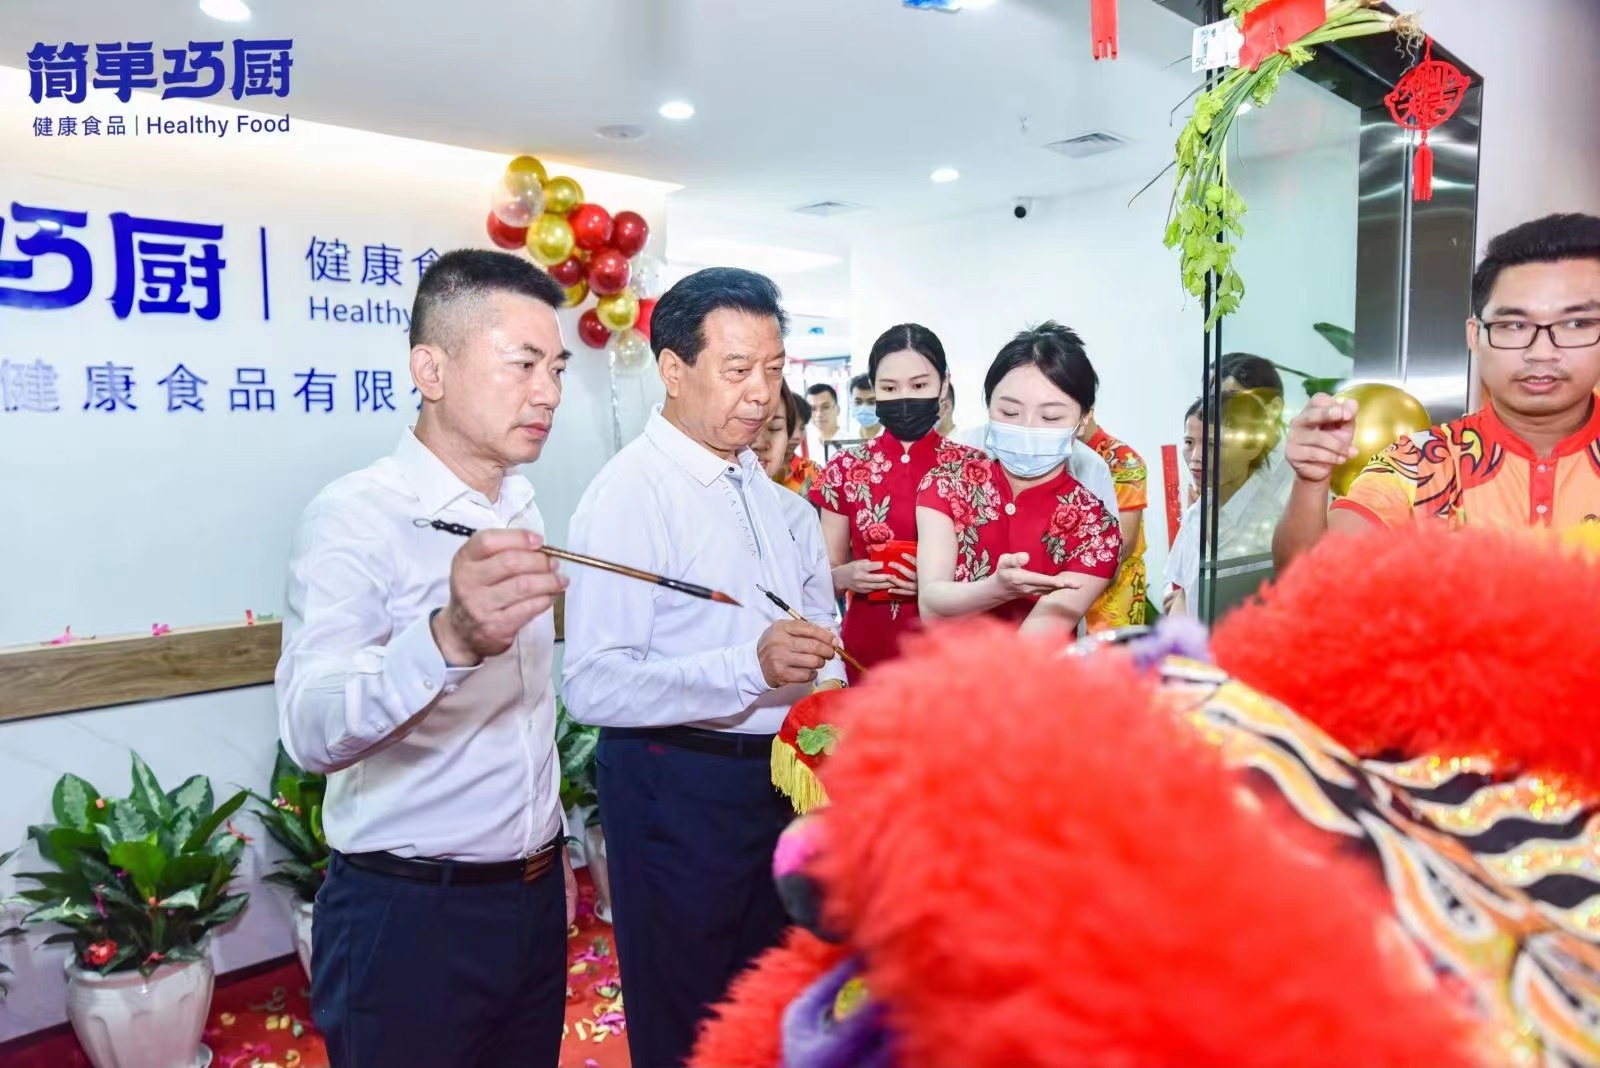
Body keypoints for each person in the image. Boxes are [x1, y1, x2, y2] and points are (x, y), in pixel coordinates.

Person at [277, 250, 574, 1068]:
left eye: (556, 368)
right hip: (409, 919)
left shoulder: (519, 504)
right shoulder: (356, 515)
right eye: (523, 364)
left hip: (530, 900)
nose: (549, 392)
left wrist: (549, 855)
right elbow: (310, 727)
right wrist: (447, 639)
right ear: (430, 370)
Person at [561, 266, 847, 1068]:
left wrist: (828, 714)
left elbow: (816, 626)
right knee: (692, 1016)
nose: (761, 394)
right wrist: (747, 667)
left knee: (774, 1002)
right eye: (737, 369)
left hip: (776, 781)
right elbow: (592, 683)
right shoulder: (630, 495)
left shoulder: (770, 493)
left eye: (773, 369)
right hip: (677, 786)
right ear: (673, 369)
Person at [1274, 213, 1600, 568]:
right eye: (1514, 325)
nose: (1541, 352)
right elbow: (1311, 576)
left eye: (1576, 323)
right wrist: (1311, 481)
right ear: (1475, 336)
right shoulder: (1421, 462)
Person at [917, 321, 1121, 632]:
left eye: (1050, 417)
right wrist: (994, 589)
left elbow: (1032, 645)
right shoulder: (946, 485)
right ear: (988, 405)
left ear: (1083, 420)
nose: (1027, 428)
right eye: (1009, 413)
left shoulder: (1096, 528)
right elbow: (931, 605)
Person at [810, 324, 979, 681]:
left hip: (950, 651)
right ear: (874, 388)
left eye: (918, 386)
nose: (904, 397)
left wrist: (937, 584)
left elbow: (993, 576)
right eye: (889, 388)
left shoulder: (974, 469)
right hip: (865, 648)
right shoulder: (845, 468)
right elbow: (821, 575)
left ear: (944, 385)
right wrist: (848, 575)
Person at [1165, 390, 1278, 616]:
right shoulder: (1195, 514)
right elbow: (1185, 596)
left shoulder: (1272, 522)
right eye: (1189, 442)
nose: (1195, 456)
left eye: (1211, 444)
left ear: (1253, 447)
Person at [1078, 408, 1149, 631]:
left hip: (1112, 595)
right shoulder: (1055, 455)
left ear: (1087, 410)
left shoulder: (1121, 461)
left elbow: (1122, 545)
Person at [848, 372, 882, 441]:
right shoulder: (848, 440)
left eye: (871, 402)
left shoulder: (896, 440)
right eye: (858, 402)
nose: (864, 408)